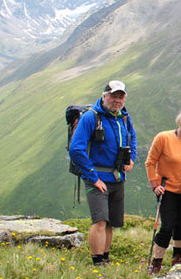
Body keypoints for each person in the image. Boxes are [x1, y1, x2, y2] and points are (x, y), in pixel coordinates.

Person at [68, 80, 137, 266]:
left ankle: (105, 259)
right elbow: (75, 149)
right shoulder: (91, 118)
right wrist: (93, 176)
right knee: (100, 220)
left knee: (110, 223)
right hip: (97, 178)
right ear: (104, 96)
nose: (117, 100)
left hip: (117, 177)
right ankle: (97, 262)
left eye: (121, 96)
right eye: (113, 95)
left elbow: (133, 138)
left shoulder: (124, 117)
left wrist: (132, 158)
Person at [145, 106, 181, 274]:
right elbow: (150, 162)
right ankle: (156, 262)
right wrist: (154, 184)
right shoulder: (163, 137)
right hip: (167, 189)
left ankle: (177, 257)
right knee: (167, 225)